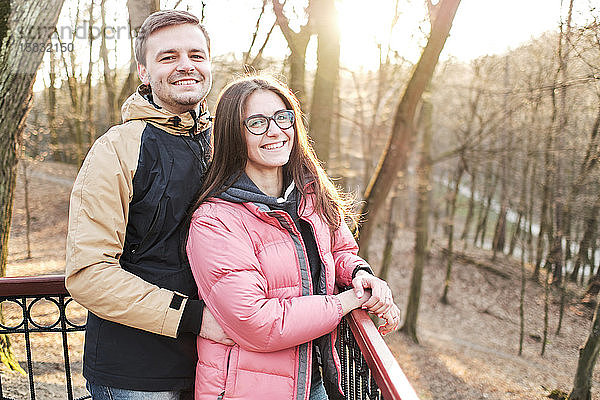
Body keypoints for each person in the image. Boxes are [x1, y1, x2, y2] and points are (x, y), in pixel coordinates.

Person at [186, 76, 401, 400]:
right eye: (257, 123)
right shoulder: (215, 221)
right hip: (247, 390)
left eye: (282, 117)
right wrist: (345, 302)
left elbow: (338, 250)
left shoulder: (310, 194)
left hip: (313, 380)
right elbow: (256, 322)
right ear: (234, 134)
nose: (275, 130)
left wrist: (360, 275)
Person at [65, 10, 230, 400]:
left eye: (196, 54)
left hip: (220, 362)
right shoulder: (116, 149)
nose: (185, 66)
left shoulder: (228, 143)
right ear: (143, 71)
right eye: (168, 57)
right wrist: (192, 318)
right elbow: (89, 273)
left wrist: (354, 270)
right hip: (136, 374)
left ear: (209, 64)